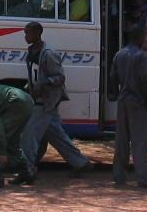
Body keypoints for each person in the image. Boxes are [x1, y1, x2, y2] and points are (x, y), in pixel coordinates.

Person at [13, 22, 93, 184]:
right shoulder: (33, 51)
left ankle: (28, 169)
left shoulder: (49, 54)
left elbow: (60, 78)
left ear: (37, 33)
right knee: (56, 135)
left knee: (29, 135)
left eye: (28, 33)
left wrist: (42, 84)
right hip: (42, 99)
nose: (25, 36)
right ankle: (80, 163)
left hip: (47, 101)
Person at [110, 22, 147, 188]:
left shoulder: (119, 54)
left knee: (121, 140)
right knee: (139, 141)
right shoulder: (143, 56)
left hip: (123, 101)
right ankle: (144, 178)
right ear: (139, 37)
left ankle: (119, 176)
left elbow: (113, 77)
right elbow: (145, 80)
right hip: (139, 102)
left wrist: (115, 93)